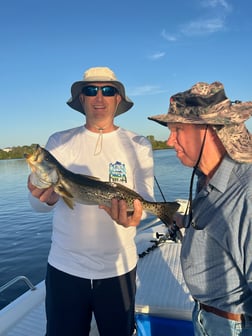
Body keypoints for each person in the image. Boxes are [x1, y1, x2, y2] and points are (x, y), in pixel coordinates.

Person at [27, 66, 154, 336]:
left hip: (119, 269)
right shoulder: (59, 141)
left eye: (108, 90)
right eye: (90, 90)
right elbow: (37, 205)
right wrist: (44, 198)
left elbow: (147, 202)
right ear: (81, 99)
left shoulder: (138, 143)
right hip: (65, 268)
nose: (99, 97)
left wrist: (136, 217)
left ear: (118, 99)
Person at [146, 81, 252, 335]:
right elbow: (219, 228)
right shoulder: (207, 178)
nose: (170, 141)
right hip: (206, 317)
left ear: (208, 130)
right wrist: (179, 220)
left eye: (177, 130)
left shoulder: (246, 193)